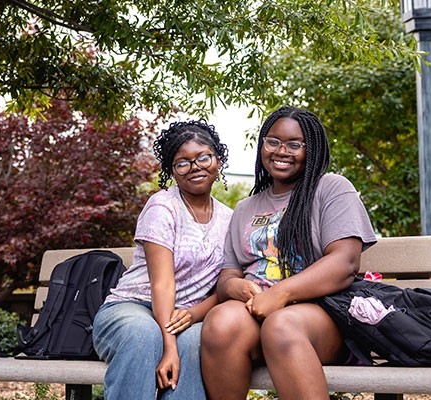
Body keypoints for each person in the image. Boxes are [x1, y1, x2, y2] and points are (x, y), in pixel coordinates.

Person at [200, 106, 378, 400]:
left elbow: (345, 261)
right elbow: (227, 275)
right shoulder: (246, 208)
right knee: (220, 322)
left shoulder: (331, 189)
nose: (282, 151)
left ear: (312, 150)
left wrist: (280, 294)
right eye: (273, 141)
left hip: (322, 314)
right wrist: (237, 286)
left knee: (281, 325)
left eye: (295, 144)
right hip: (256, 310)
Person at [92, 120, 234, 400]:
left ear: (217, 159)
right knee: (144, 334)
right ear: (172, 171)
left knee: (197, 340)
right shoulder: (163, 207)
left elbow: (226, 286)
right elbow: (163, 284)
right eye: (182, 163)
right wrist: (169, 345)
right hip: (132, 308)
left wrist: (193, 315)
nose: (195, 167)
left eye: (203, 157)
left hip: (186, 317)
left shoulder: (230, 219)